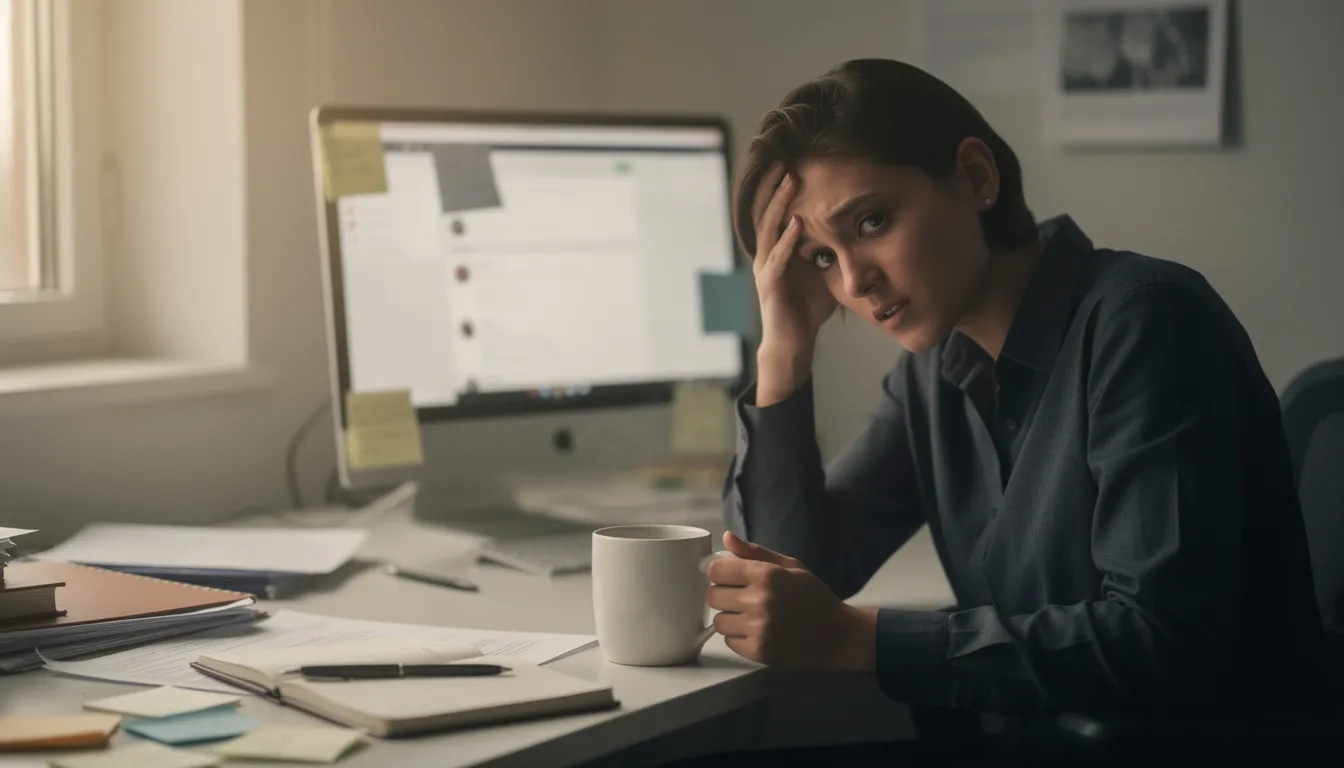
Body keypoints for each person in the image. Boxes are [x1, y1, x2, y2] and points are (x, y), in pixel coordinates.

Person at [675, 59, 1327, 764]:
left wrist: (854, 638)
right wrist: (785, 350)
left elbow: (1160, 642)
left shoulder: (1145, 320)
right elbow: (792, 580)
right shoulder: (930, 373)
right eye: (822, 258)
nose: (856, 281)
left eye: (871, 220)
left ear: (977, 178)